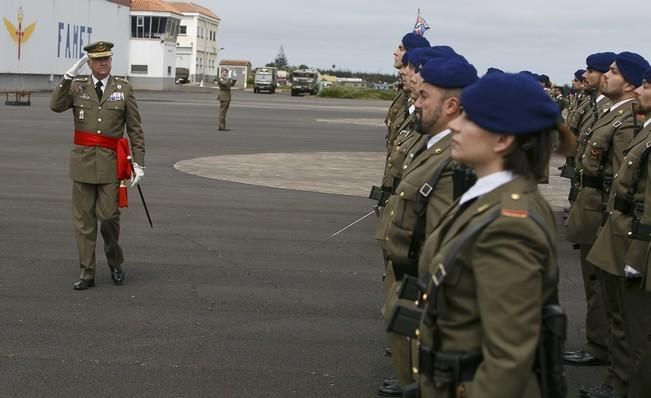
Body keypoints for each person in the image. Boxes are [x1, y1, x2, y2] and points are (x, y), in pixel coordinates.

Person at [412, 72, 570, 397]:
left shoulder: (510, 225)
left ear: (502, 140)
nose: (454, 124)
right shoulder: (488, 199)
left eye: (468, 118)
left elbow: (508, 359)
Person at [377, 53, 478, 397]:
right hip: (409, 279)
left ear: (451, 105)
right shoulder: (432, 145)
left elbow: (443, 242)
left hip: (424, 288)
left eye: (423, 97)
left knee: (426, 378)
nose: (415, 103)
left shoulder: (454, 158)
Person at [50, 41, 145, 290]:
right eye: (98, 60)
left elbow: (135, 130)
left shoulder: (123, 89)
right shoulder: (77, 88)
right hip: (82, 163)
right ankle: (87, 272)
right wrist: (68, 77)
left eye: (107, 59)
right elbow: (55, 106)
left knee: (110, 218)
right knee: (84, 221)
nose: (104, 63)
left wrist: (139, 164)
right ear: (89, 63)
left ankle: (115, 262)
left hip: (111, 165)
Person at [584, 52, 650, 398]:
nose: (642, 89)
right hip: (614, 223)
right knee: (619, 314)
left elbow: (637, 190)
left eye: (612, 71)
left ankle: (627, 385)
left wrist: (636, 249)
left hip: (628, 232)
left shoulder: (634, 125)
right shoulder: (641, 126)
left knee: (634, 324)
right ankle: (619, 382)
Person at [564, 52, 617, 368]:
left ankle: (602, 346)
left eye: (593, 71)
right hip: (589, 200)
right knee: (594, 280)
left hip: (602, 208)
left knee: (601, 283)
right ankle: (600, 342)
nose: (587, 75)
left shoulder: (616, 114)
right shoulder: (599, 108)